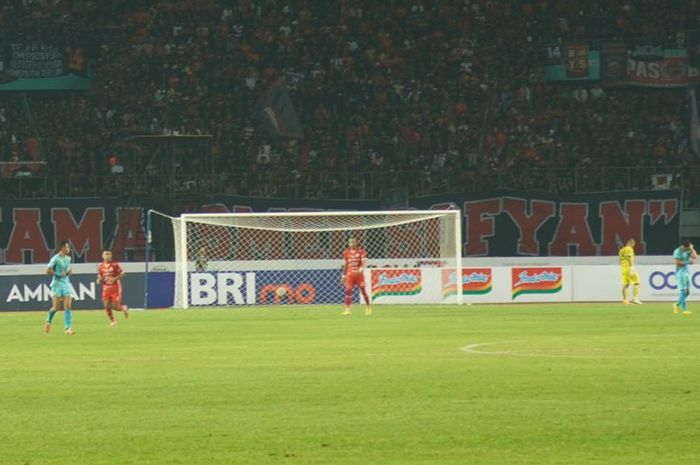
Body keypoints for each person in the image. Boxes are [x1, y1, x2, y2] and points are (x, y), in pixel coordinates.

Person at [44, 241, 75, 335]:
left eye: (69, 247)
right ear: (61, 248)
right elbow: (47, 271)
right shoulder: (55, 258)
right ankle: (48, 321)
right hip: (57, 284)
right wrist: (58, 274)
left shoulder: (68, 258)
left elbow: (68, 270)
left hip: (66, 284)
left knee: (68, 306)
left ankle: (68, 328)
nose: (68, 249)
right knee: (56, 307)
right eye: (66, 247)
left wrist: (69, 272)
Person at [97, 249, 129, 326]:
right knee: (106, 304)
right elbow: (100, 275)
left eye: (109, 254)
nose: (107, 256)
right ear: (102, 256)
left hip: (115, 286)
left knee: (114, 306)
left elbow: (123, 273)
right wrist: (98, 279)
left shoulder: (115, 265)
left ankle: (123, 308)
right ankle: (113, 321)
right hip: (106, 287)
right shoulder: (100, 266)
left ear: (111, 256)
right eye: (105, 254)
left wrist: (115, 278)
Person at [341, 237, 372, 316]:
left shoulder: (361, 251)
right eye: (350, 242)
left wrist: (361, 268)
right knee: (348, 290)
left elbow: (363, 261)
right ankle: (347, 310)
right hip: (350, 275)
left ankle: (368, 308)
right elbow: (345, 264)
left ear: (356, 243)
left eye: (353, 242)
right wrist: (343, 275)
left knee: (363, 290)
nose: (351, 244)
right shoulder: (346, 253)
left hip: (359, 275)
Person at [673, 240, 697, 315]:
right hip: (680, 273)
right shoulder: (678, 251)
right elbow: (677, 263)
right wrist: (687, 262)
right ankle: (681, 307)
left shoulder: (688, 250)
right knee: (683, 291)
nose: (688, 249)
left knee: (687, 292)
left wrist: (692, 249)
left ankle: (679, 305)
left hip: (686, 272)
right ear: (684, 246)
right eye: (688, 247)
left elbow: (695, 257)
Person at [618, 238, 642, 304]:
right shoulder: (629, 248)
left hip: (623, 268)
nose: (633, 246)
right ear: (631, 243)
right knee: (637, 281)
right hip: (628, 267)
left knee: (626, 284)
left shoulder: (621, 250)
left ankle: (625, 300)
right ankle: (635, 299)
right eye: (633, 244)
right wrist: (631, 267)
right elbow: (629, 257)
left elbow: (619, 260)